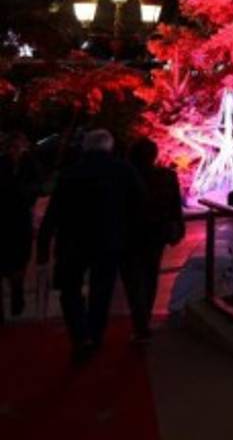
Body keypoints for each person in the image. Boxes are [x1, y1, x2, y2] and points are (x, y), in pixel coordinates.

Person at [36, 129, 145, 362]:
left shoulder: (70, 173)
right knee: (101, 289)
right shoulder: (123, 171)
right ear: (110, 146)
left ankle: (79, 333)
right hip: (108, 239)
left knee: (70, 289)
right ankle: (94, 334)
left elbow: (54, 211)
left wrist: (43, 245)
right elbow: (138, 204)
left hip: (72, 241)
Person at [121, 137, 185, 342]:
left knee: (132, 278)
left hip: (129, 234)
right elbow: (175, 207)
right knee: (150, 275)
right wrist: (177, 229)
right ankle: (143, 318)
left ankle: (139, 319)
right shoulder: (167, 176)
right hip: (155, 233)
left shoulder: (124, 178)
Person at [0, 133, 37, 321]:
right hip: (7, 220)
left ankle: (17, 289)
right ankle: (15, 292)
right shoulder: (5, 165)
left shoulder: (28, 165)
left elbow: (35, 189)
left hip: (19, 219)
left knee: (18, 260)